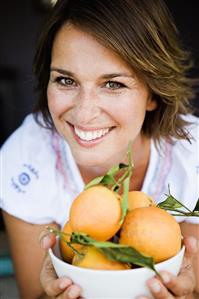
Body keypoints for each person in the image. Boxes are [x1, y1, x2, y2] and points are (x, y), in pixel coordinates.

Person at [0, 0, 199, 298]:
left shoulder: (192, 158)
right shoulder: (24, 159)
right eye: (66, 80)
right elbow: (34, 294)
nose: (83, 113)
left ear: (153, 93)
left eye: (113, 84)